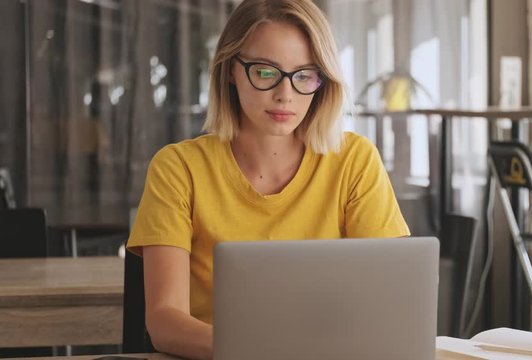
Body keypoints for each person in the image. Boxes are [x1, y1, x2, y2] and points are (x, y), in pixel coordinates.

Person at [127, 0, 409, 359]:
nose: (285, 94)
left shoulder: (355, 161)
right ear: (231, 69)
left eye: (304, 75)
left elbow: (387, 304)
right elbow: (164, 321)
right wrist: (263, 351)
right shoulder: (178, 169)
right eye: (265, 72)